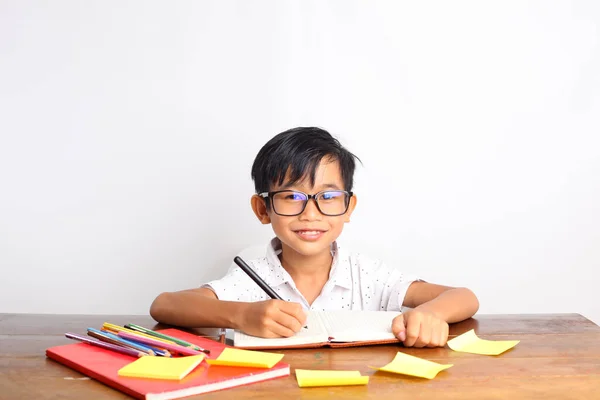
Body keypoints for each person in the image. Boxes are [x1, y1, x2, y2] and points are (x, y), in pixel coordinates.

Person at [150, 127, 479, 347]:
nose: (311, 213)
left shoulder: (367, 273)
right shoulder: (250, 275)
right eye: (291, 197)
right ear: (263, 209)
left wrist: (431, 315)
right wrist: (241, 315)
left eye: (328, 196)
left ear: (349, 206)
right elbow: (164, 305)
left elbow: (464, 296)